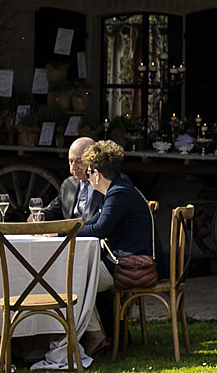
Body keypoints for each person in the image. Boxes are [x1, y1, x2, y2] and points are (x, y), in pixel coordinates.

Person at [75, 140, 154, 355]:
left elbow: (101, 228)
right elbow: (94, 224)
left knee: (73, 281)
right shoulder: (117, 190)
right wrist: (67, 229)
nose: (88, 177)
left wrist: (64, 233)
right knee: (77, 277)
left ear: (97, 174)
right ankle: (95, 336)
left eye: (89, 171)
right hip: (124, 261)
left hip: (128, 265)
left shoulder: (118, 193)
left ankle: (95, 338)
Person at [38, 136, 97, 223]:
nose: (73, 168)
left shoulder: (104, 185)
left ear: (94, 160)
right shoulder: (69, 184)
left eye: (79, 161)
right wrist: (39, 215)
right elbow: (54, 210)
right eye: (70, 161)